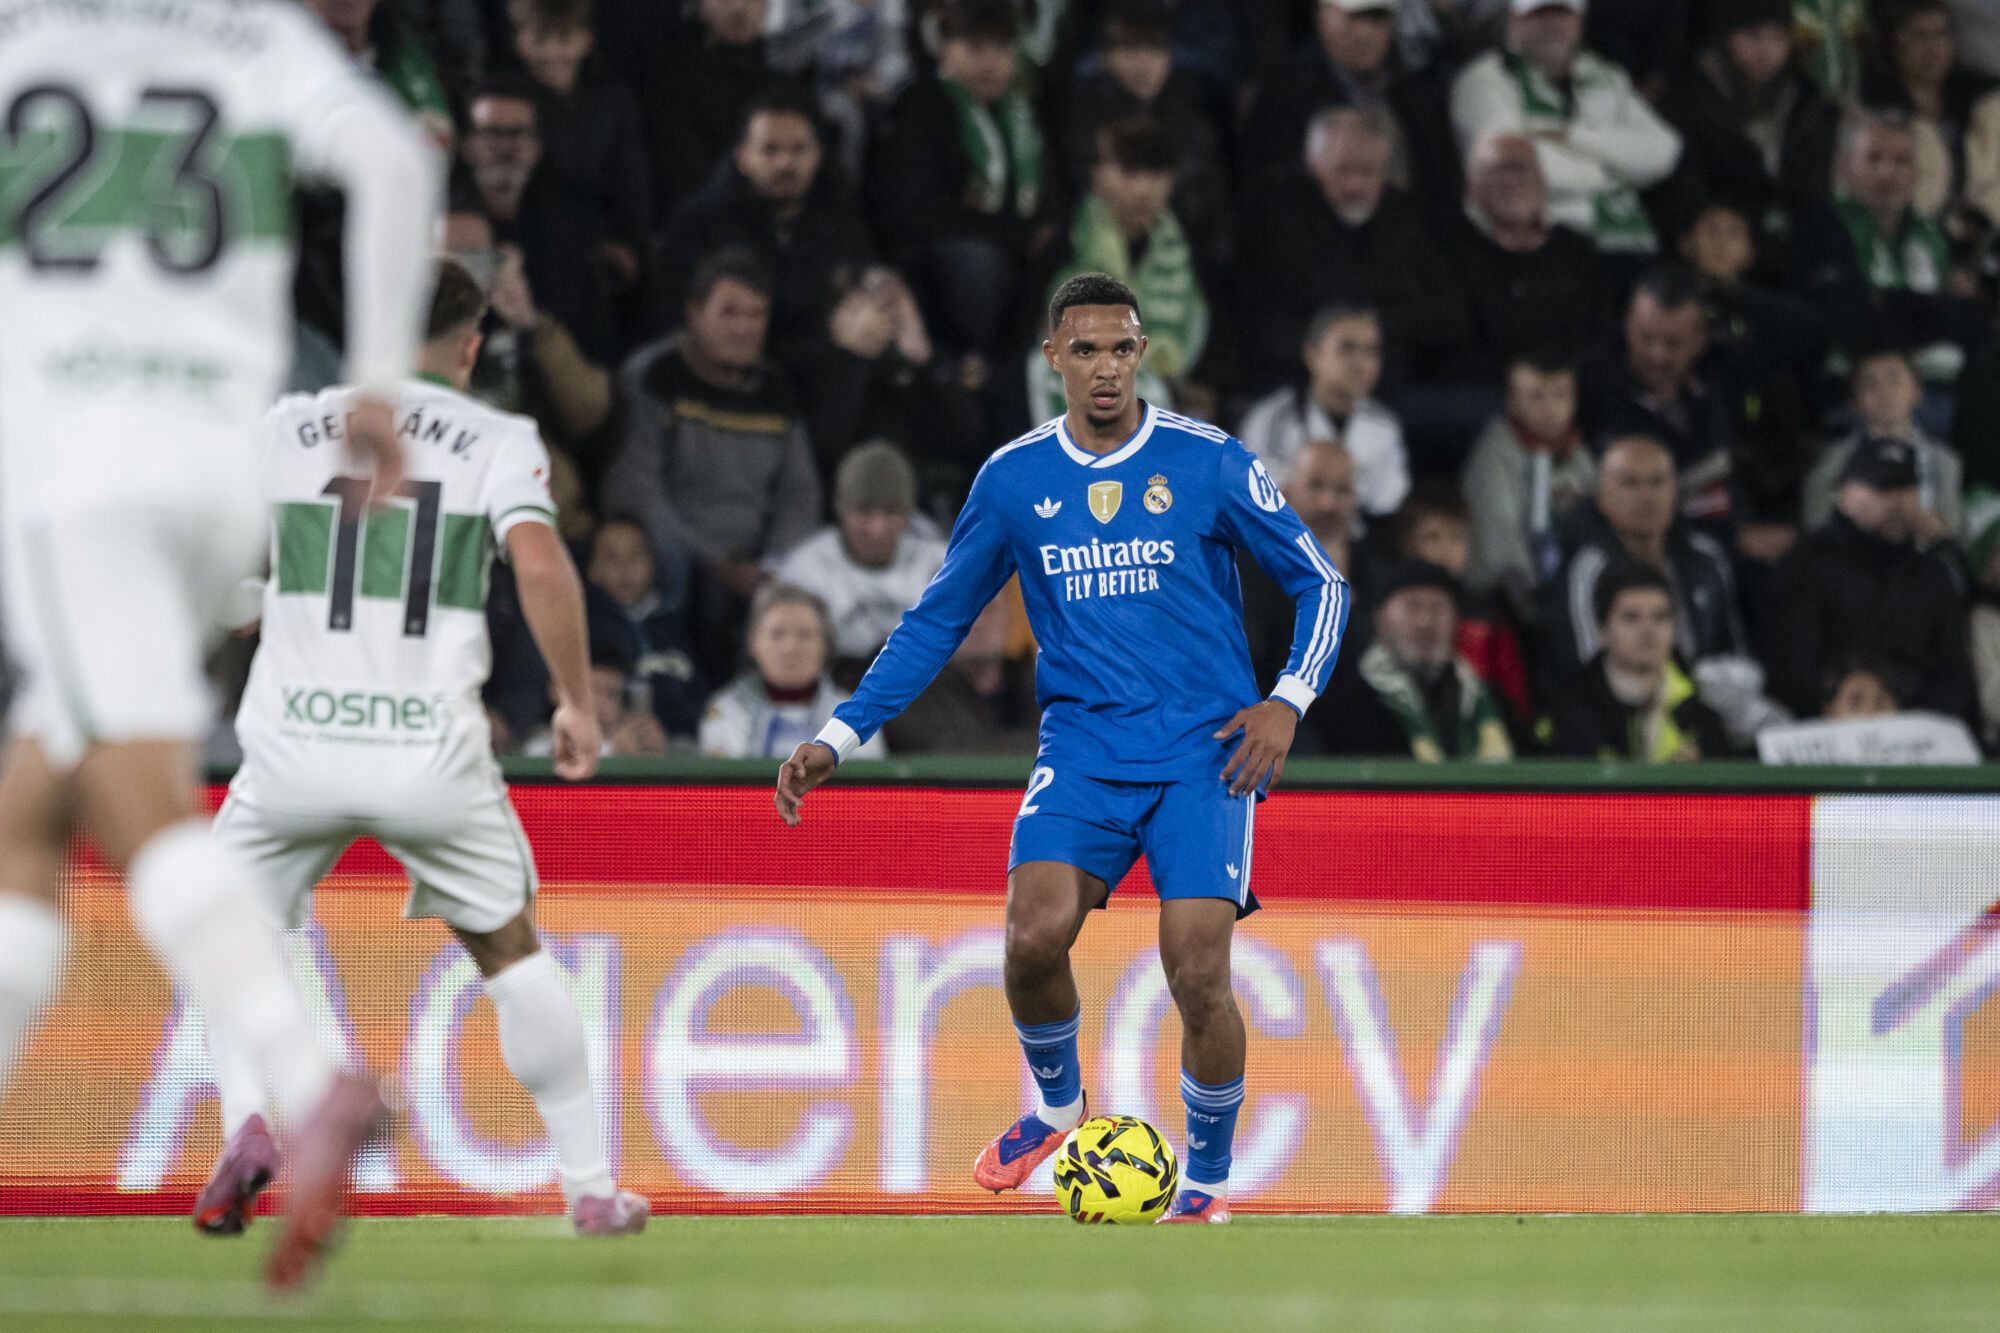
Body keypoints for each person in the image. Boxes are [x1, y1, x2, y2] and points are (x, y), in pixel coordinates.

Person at [0, 0, 438, 1291]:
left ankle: (306, 1082)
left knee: (133, 792)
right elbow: (397, 160)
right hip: (217, 475)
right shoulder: (256, 35)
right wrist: (375, 386)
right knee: (31, 808)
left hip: (73, 467)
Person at [773, 273, 1351, 1225]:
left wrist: (1287, 700)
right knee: (1031, 936)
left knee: (1197, 970)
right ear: (1053, 359)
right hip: (1083, 748)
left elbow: (1321, 582)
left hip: (1204, 752)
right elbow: (934, 621)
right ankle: (1056, 1105)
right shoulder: (1014, 479)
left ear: (1143, 354)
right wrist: (842, 732)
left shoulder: (1208, 462)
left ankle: (1205, 1181)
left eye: (1121, 348)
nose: (1106, 368)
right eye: (1086, 350)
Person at [200, 261, 647, 1243]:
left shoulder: (288, 427)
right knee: (510, 951)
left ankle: (248, 1122)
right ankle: (589, 1186)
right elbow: (540, 565)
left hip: (293, 747)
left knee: (230, 930)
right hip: (426, 753)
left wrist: (254, 604)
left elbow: (218, 566)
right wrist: (576, 701)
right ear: (471, 344)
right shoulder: (495, 438)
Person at [604, 247, 822, 683]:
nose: (744, 328)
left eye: (756, 315)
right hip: (679, 549)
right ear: (694, 313)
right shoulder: (656, 376)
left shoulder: (777, 390)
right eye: (729, 313)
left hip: (757, 559)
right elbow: (634, 489)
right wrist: (715, 560)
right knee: (668, 562)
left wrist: (776, 563)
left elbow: (800, 491)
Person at [1232, 106, 1466, 396]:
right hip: (1290, 380)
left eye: (1368, 172)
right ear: (1312, 165)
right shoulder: (1275, 213)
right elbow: (1271, 303)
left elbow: (1450, 311)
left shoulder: (1403, 216)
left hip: (1388, 386)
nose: (1354, 185)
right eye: (1342, 171)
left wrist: (1377, 322)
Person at [653, 86, 876, 375]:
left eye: (799, 150)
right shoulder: (697, 224)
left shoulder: (840, 219)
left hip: (826, 367)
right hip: (729, 375)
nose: (785, 163)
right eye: (770, 150)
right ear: (743, 157)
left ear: (818, 155)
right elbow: (674, 322)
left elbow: (858, 287)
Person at [867, 0, 1042, 360]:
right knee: (976, 263)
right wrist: (1014, 233)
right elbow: (918, 211)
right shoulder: (922, 106)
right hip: (938, 260)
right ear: (946, 47)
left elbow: (1049, 196)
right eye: (976, 48)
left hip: (1013, 245)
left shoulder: (1024, 115)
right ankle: (971, 363)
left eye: (1002, 49)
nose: (991, 63)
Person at [1450, 0, 1684, 261]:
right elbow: (1521, 170)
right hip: (1538, 251)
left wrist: (1573, 137)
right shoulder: (1483, 79)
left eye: (1563, 14)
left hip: (1628, 243)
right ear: (1515, 21)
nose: (1554, 25)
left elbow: (1665, 152)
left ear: (1579, 21)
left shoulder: (1604, 75)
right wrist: (1619, 172)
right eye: (1541, 14)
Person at [1762, 435, 1976, 720]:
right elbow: (1788, 672)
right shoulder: (1804, 566)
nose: (1898, 501)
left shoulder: (1933, 574)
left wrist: (1903, 717)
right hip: (1822, 727)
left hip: (1918, 731)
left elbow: (1955, 677)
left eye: (1906, 486)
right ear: (1846, 494)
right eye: (1882, 487)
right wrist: (1838, 707)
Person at [1794, 111, 1988, 387]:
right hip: (1852, 389)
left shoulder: (1934, 234)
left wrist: (1889, 302)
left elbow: (1972, 317)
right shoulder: (1820, 227)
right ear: (1844, 166)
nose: (1887, 173)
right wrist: (1937, 310)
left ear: (1916, 172)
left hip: (1941, 387)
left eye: (1901, 161)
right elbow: (1849, 321)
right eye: (1873, 158)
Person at [1034, 118, 1210, 420]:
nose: (1144, 189)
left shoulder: (1185, 252)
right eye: (1130, 172)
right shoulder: (1065, 246)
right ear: (1097, 174)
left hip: (1163, 395)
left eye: (1157, 174)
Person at [1540, 436, 1750, 680]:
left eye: (1657, 481)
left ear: (1674, 490)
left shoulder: (1705, 556)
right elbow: (1589, 668)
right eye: (1630, 483)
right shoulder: (1589, 569)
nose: (1647, 496)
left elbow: (1733, 653)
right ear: (1602, 498)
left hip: (1706, 694)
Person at [1658, 0, 1839, 270]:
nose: (1766, 50)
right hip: (1712, 256)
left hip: (1792, 257)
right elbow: (1685, 192)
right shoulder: (1688, 100)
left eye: (1777, 37)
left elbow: (1813, 196)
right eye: (1753, 36)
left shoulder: (1808, 104)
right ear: (1727, 37)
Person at [1434, 132, 1611, 387]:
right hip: (1488, 391)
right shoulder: (1451, 251)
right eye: (1496, 171)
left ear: (1542, 181)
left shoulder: (1577, 250)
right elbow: (1455, 345)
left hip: (1573, 389)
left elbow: (1601, 335)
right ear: (1472, 185)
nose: (1510, 182)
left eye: (1520, 169)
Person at [506, 0, 651, 292]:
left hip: (604, 252)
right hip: (535, 251)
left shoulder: (613, 99)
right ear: (519, 42)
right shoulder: (507, 105)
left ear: (586, 40)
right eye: (540, 40)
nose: (552, 53)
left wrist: (630, 242)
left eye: (564, 38)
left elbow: (631, 181)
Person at [1310, 560, 1514, 761]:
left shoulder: (1488, 698)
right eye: (1412, 607)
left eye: (1437, 608)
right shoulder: (1344, 707)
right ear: (1380, 619)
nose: (1425, 623)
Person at [773, 443, 947, 676]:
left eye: (891, 512)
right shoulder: (804, 572)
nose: (877, 528)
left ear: (908, 514)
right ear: (841, 510)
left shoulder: (940, 566)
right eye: (863, 511)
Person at [1579, 266, 1735, 522]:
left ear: (1699, 341)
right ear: (1627, 326)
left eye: (1673, 343)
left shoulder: (1717, 389)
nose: (1657, 355)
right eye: (1646, 337)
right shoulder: (1588, 389)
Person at [1237, 304, 1408, 523]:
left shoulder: (1385, 426)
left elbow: (1387, 504)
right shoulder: (1271, 419)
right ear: (1312, 354)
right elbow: (1254, 499)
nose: (1361, 363)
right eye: (1346, 348)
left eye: (1371, 351)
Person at [1546, 561, 1731, 760]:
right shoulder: (1564, 713)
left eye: (1660, 617)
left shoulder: (1702, 719)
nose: (1648, 630)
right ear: (1602, 630)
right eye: (1631, 617)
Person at [1463, 352, 1595, 620]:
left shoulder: (1578, 454)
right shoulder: (1495, 455)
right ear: (1511, 402)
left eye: (1561, 395)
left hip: (1575, 587)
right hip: (1507, 598)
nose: (1550, 408)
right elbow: (1500, 538)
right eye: (1536, 397)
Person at [701, 584, 886, 759]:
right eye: (777, 634)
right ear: (753, 644)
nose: (790, 648)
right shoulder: (725, 710)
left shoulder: (858, 718)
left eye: (805, 635)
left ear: (826, 645)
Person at [1802, 348, 1964, 539]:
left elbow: (1954, 531)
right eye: (1870, 384)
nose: (1884, 392)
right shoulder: (1835, 456)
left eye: (1894, 381)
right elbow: (1815, 521)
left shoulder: (1943, 460)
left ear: (1917, 392)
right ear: (1854, 403)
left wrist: (1913, 515)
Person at [585, 515, 707, 738]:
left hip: (680, 744)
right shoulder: (582, 627)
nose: (624, 568)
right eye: (611, 557)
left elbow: (705, 699)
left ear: (654, 563)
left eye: (636, 555)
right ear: (592, 568)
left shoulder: (683, 623)